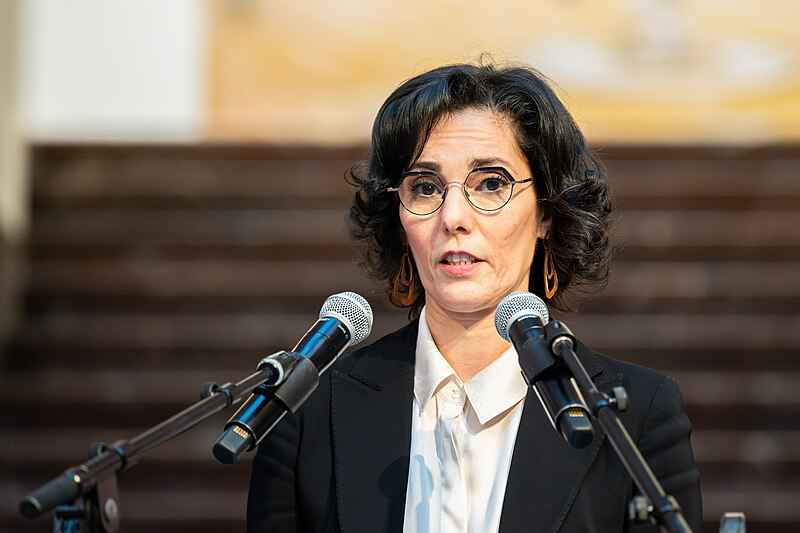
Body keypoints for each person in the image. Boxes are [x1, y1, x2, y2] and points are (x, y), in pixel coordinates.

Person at [247, 63, 703, 533]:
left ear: (547, 212)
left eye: (491, 184)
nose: (453, 218)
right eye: (425, 188)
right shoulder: (308, 411)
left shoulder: (635, 416)